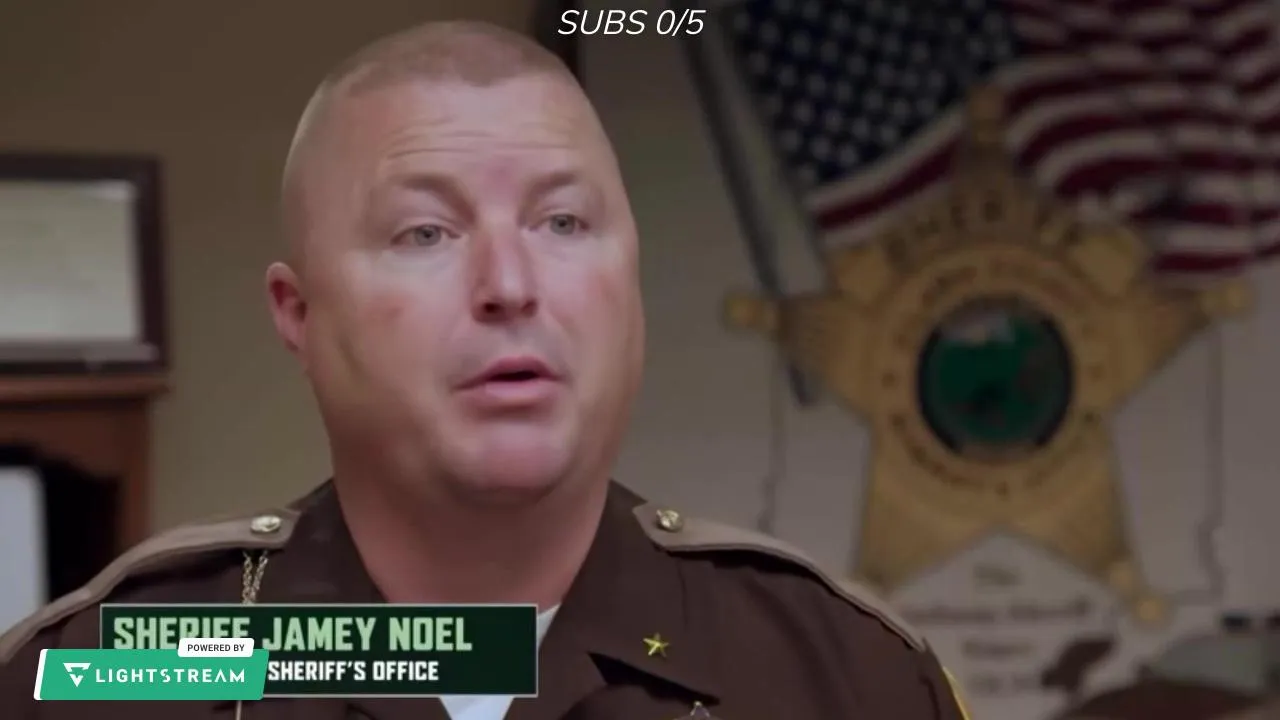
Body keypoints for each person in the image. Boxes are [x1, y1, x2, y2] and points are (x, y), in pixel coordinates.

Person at [0, 21, 970, 720]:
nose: (510, 285)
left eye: (562, 222)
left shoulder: (841, 676)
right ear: (299, 314)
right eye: (425, 232)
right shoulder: (114, 674)